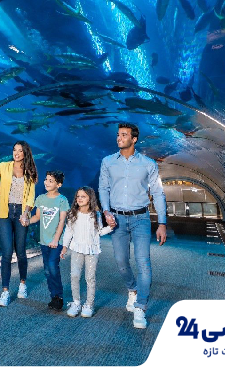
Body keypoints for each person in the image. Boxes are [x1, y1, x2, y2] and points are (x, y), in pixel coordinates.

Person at [98, 122, 167, 329]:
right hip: (116, 219)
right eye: (118, 134)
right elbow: (103, 187)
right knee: (121, 262)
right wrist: (106, 211)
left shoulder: (148, 164)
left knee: (143, 263)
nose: (119, 138)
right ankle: (132, 289)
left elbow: (157, 193)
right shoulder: (107, 162)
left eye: (124, 135)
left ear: (134, 139)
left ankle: (140, 306)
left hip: (141, 219)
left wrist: (162, 223)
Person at [0, 141, 38, 307]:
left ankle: (22, 284)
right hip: (4, 212)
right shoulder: (4, 166)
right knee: (6, 253)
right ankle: (5, 291)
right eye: (14, 150)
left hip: (21, 212)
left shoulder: (30, 171)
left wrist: (26, 214)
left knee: (20, 251)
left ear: (25, 153)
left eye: (20, 151)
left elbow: (30, 197)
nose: (16, 153)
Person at [60, 186, 112, 318]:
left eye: (83, 196)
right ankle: (76, 302)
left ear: (90, 198)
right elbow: (69, 231)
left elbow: (99, 232)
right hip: (77, 249)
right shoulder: (73, 213)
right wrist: (64, 247)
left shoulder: (96, 215)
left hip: (92, 250)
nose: (79, 199)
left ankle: (89, 304)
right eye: (78, 196)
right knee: (75, 276)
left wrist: (110, 228)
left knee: (90, 278)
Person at [27, 170, 69, 312]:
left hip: (57, 241)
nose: (46, 182)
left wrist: (56, 239)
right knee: (46, 270)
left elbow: (62, 220)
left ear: (59, 184)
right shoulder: (40, 198)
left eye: (51, 180)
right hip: (44, 241)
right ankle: (53, 297)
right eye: (46, 179)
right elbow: (37, 217)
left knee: (52, 266)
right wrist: (27, 221)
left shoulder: (62, 200)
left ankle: (59, 297)